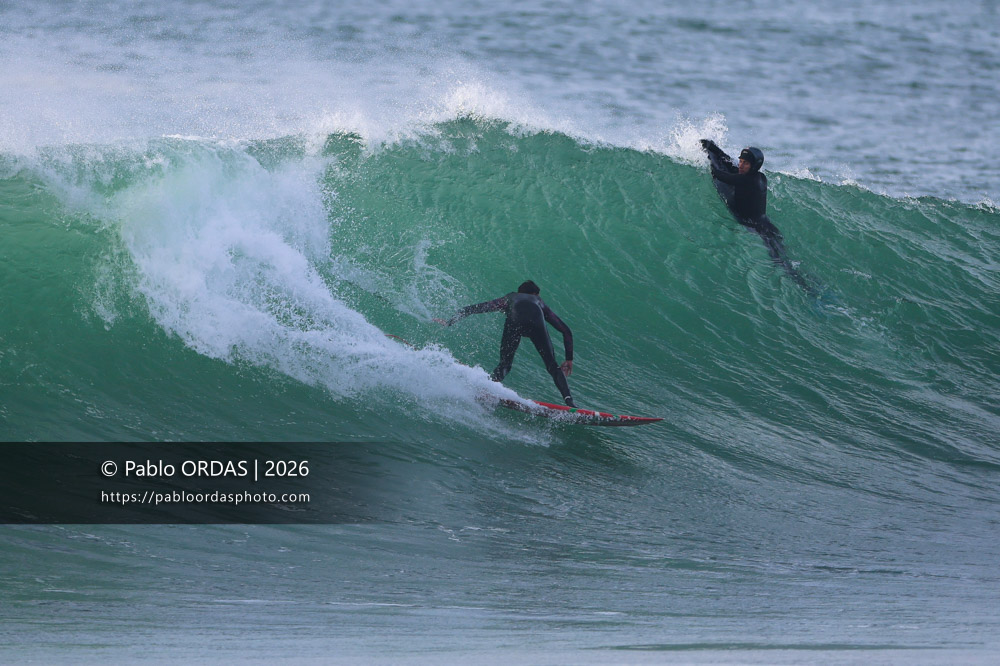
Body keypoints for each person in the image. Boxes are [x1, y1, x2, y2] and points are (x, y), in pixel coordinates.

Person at [434, 280, 577, 407]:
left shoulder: (511, 298)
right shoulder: (538, 301)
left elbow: (475, 308)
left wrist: (449, 322)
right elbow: (566, 331)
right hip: (536, 325)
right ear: (535, 294)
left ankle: (486, 391)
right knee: (553, 367)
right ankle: (570, 402)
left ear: (519, 291)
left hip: (515, 322)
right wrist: (569, 358)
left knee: (505, 365)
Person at [700, 139, 814, 293]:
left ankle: (803, 288)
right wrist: (713, 147)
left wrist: (706, 155)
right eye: (741, 161)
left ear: (754, 166)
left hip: (755, 226)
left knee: (781, 263)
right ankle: (807, 283)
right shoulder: (760, 177)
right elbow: (732, 167)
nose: (741, 165)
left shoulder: (746, 180)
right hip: (767, 225)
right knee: (786, 259)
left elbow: (719, 174)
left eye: (745, 163)